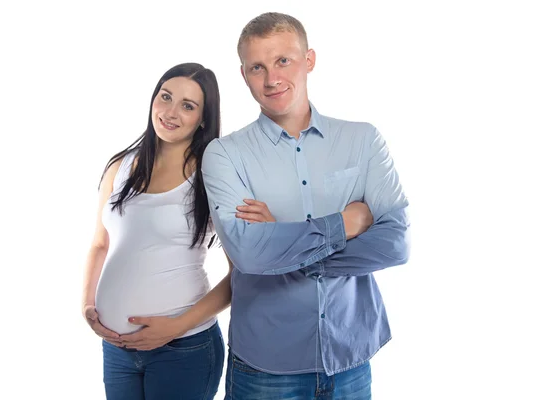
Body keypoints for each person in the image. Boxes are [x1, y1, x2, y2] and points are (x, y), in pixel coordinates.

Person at [201, 12, 411, 399]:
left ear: (309, 60)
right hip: (265, 368)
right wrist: (345, 224)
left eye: (283, 60)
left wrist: (280, 242)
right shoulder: (224, 155)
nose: (271, 79)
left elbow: (395, 244)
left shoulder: (362, 141)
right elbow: (247, 253)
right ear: (244, 74)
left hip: (351, 359)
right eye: (257, 67)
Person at [81, 62, 233, 400]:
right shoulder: (120, 165)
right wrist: (88, 305)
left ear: (203, 118)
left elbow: (242, 275)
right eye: (165, 97)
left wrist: (174, 328)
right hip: (117, 350)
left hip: (183, 348)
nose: (170, 112)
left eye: (188, 105)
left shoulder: (215, 175)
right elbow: (99, 244)